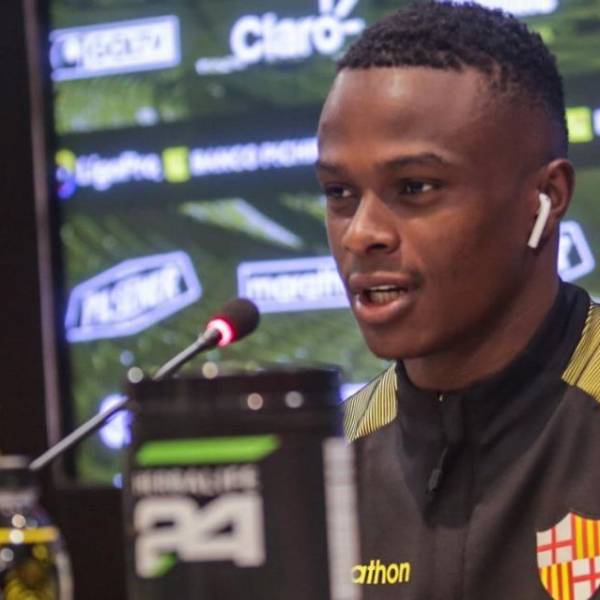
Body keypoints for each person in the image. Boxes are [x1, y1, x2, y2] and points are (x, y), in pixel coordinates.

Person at [316, 2, 600, 598]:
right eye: (340, 193)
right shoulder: (328, 468)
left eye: (415, 187)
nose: (361, 234)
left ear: (546, 198)